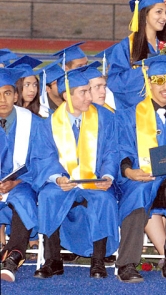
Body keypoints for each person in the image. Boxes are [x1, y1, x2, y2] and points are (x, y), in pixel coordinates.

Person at [114, 55, 166, 283]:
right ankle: (127, 264)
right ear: (149, 83)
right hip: (141, 177)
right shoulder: (129, 115)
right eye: (160, 81)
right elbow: (121, 150)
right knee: (138, 193)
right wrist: (129, 172)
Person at [32, 68, 119, 280]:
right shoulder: (49, 124)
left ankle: (98, 261)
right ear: (66, 96)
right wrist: (58, 177)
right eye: (83, 92)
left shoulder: (105, 117)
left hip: (95, 182)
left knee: (104, 199)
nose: (90, 96)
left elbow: (111, 152)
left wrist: (107, 176)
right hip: (64, 183)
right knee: (48, 196)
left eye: (90, 90)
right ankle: (53, 260)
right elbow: (44, 157)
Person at [0, 68, 43, 283]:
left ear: (15, 96)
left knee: (23, 198)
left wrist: (16, 181)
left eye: (7, 93)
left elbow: (43, 160)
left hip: (23, 183)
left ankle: (13, 255)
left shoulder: (33, 123)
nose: (2, 100)